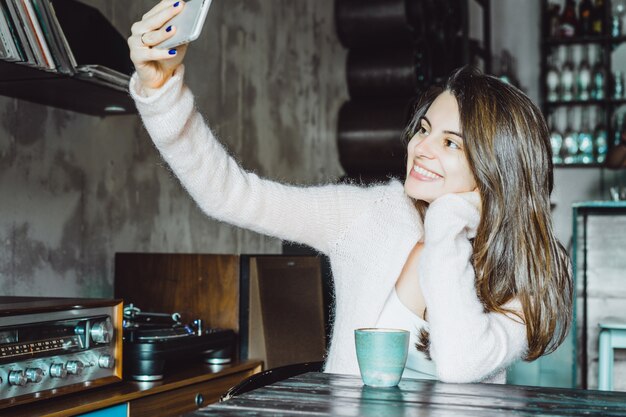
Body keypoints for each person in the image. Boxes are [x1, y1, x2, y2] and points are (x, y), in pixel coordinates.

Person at [128, 0, 573, 384]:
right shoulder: (366, 214)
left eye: (451, 142)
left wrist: (445, 226)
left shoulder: (526, 269)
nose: (421, 149)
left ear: (499, 166)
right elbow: (229, 193)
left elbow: (461, 362)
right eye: (424, 129)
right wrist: (162, 91)